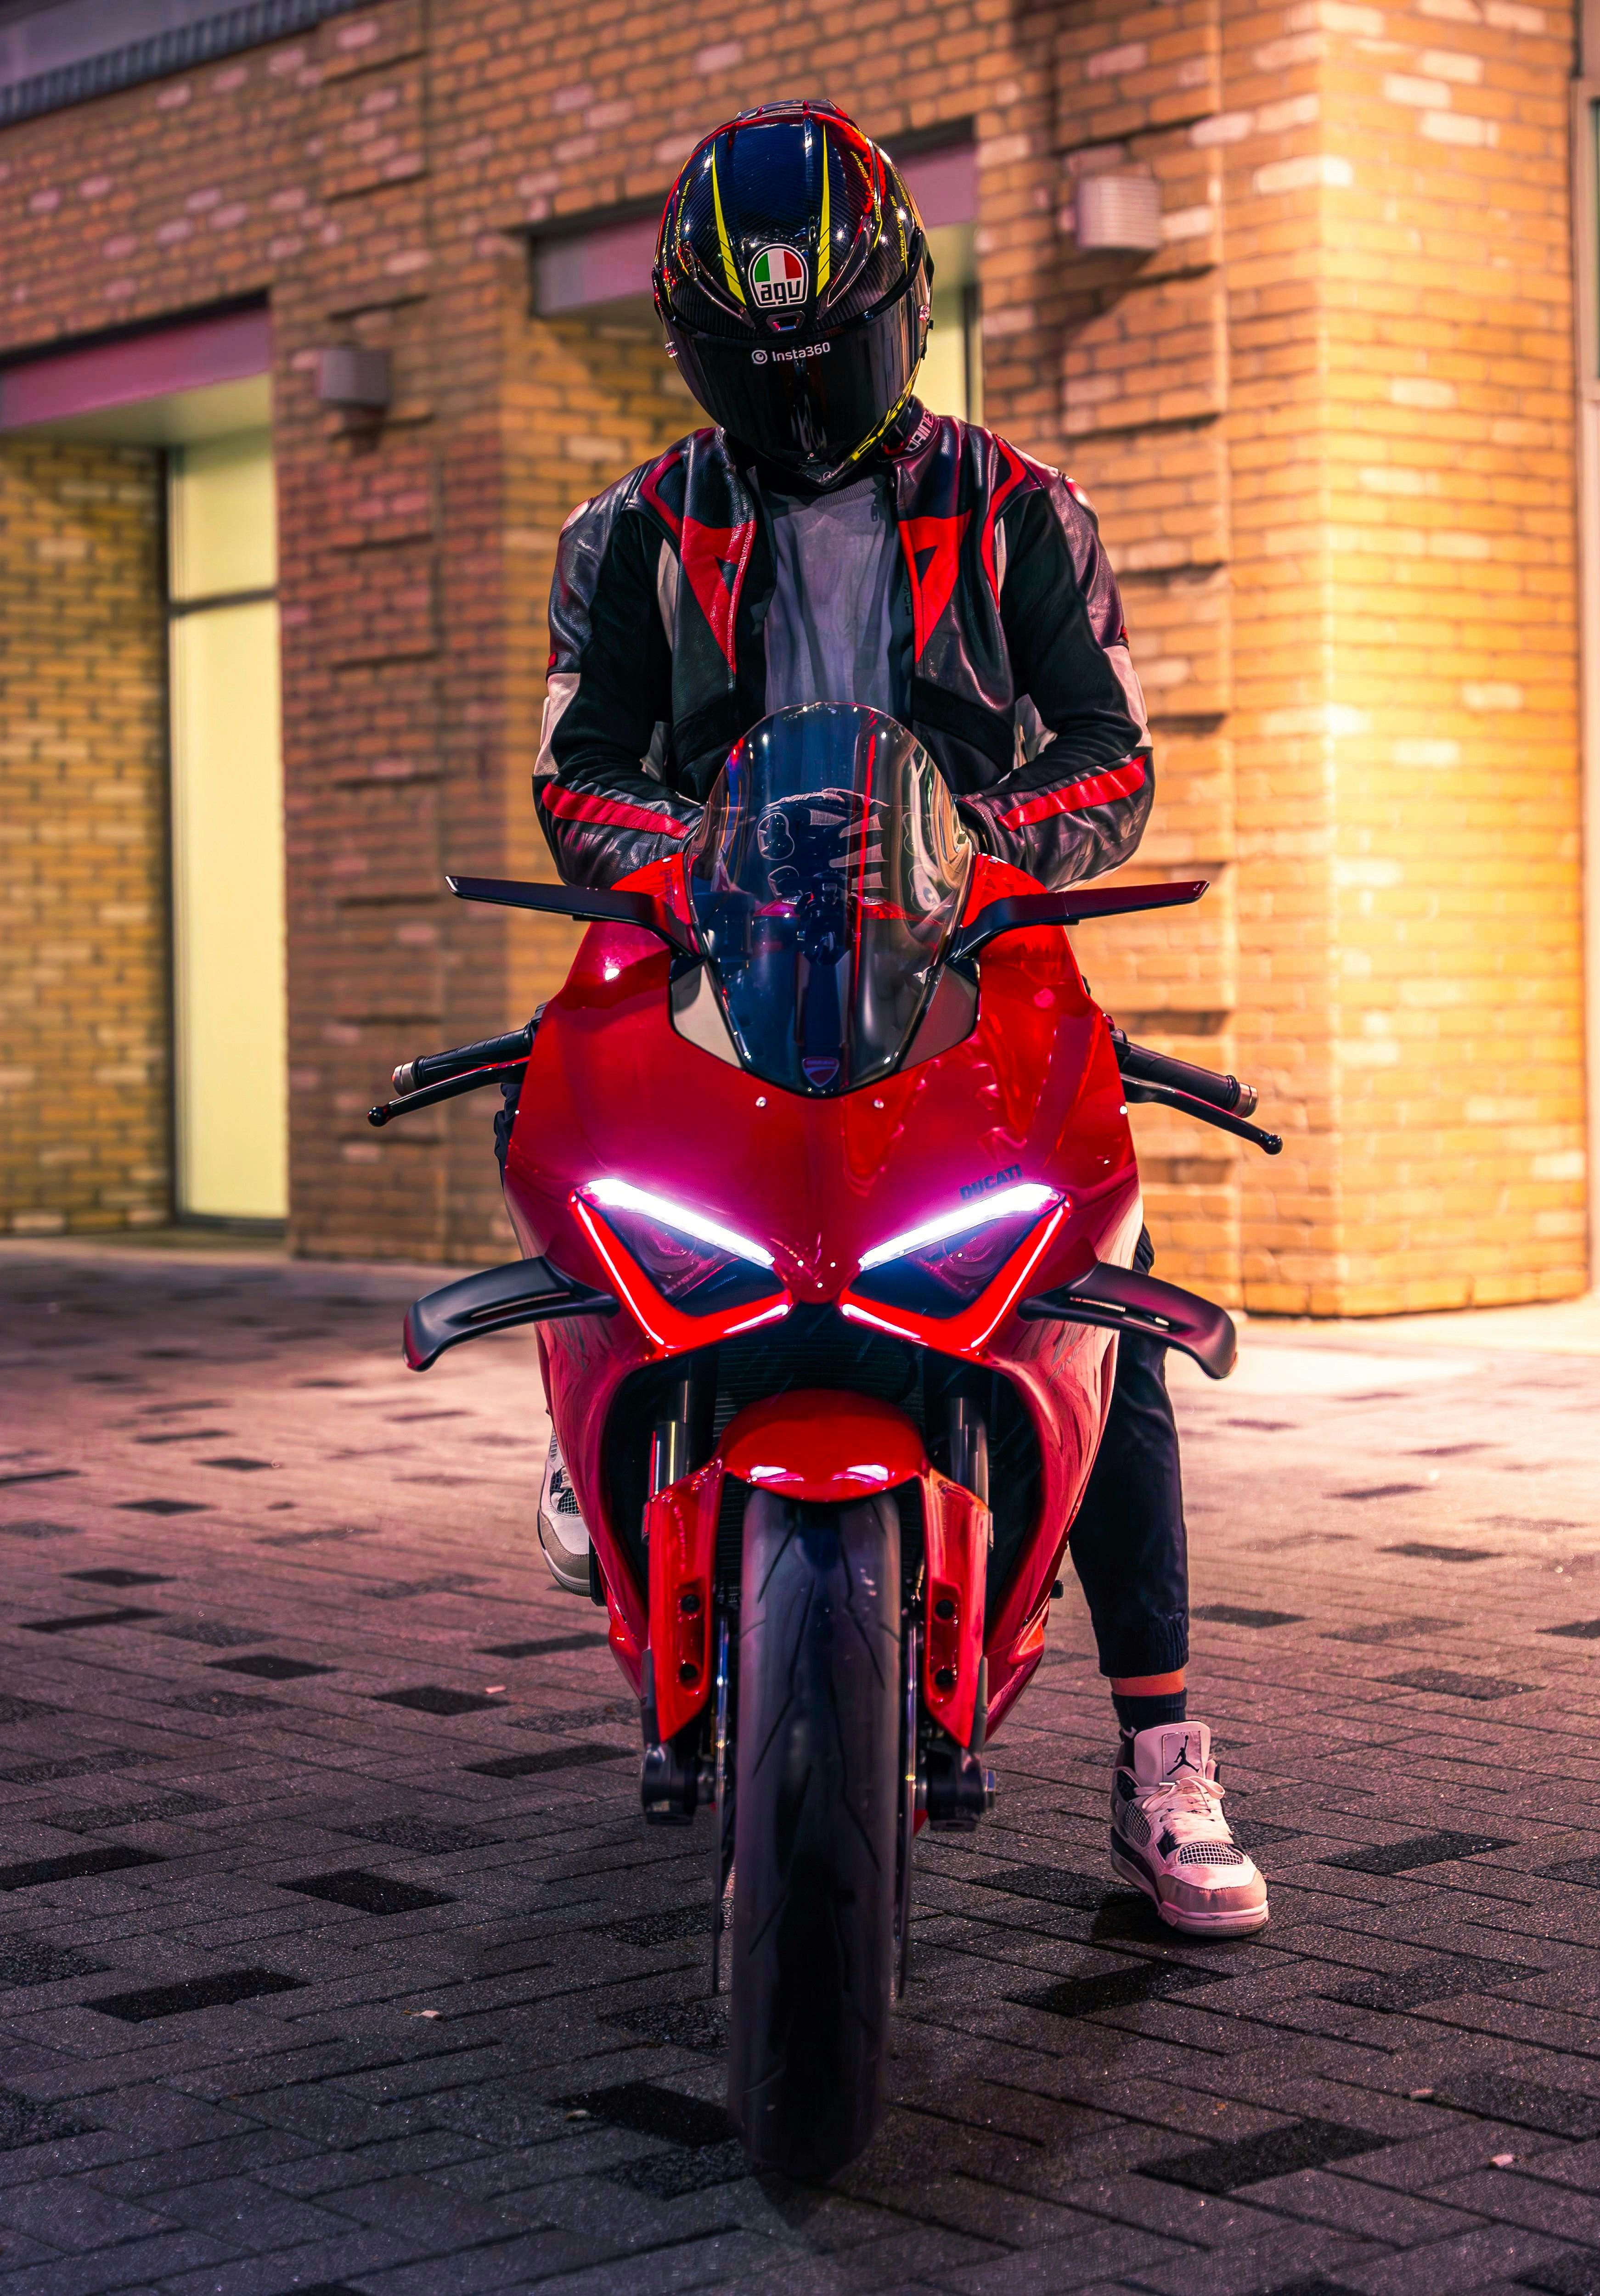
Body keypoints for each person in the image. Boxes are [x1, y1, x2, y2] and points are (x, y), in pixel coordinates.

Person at [531, 100, 1267, 1937]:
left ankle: (1163, 1756)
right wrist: (683, 858)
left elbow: (1113, 754)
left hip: (974, 944)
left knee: (1103, 1289)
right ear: (696, 339)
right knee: (570, 1157)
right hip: (714, 945)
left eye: (820, 341)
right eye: (748, 350)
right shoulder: (628, 531)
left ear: (898, 312)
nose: (788, 383)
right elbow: (579, 771)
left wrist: (984, 842)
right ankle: (597, 1419)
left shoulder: (1020, 509)